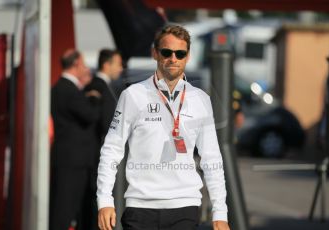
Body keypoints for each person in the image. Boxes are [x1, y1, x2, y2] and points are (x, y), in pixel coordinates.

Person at [97, 25, 230, 230]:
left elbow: (211, 158)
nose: (173, 58)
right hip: (140, 208)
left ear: (187, 56)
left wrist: (220, 212)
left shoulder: (201, 100)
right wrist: (104, 200)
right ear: (155, 53)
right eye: (166, 52)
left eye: (180, 53)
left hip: (185, 207)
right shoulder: (132, 95)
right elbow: (111, 149)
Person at [50, 49, 100, 230]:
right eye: (84, 64)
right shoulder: (69, 90)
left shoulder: (59, 88)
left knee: (67, 207)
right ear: (76, 64)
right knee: (65, 209)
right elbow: (91, 115)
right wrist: (94, 99)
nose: (86, 69)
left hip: (68, 158)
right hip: (73, 161)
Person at [83, 49, 123, 230]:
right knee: (94, 205)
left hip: (99, 154)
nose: (121, 68)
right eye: (118, 64)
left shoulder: (104, 86)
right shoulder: (97, 86)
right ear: (106, 65)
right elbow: (105, 124)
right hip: (97, 155)